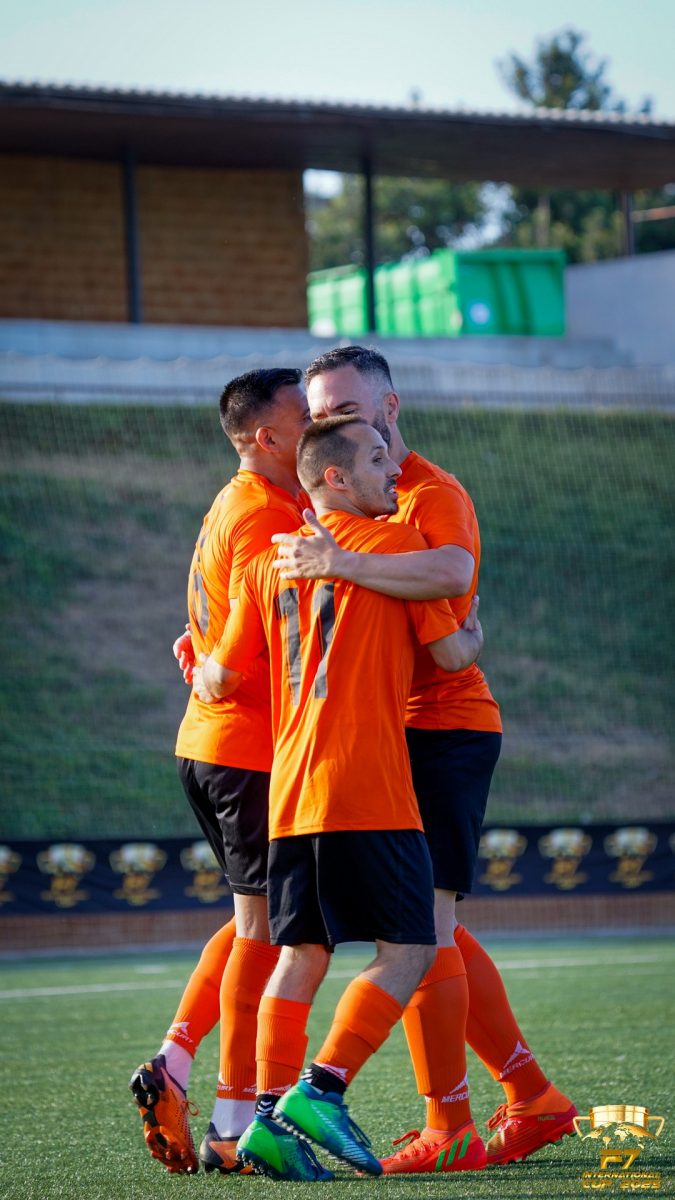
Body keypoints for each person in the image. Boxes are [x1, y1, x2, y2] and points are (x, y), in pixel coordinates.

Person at [270, 345, 577, 1172]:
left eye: (346, 409)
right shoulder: (341, 505)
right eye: (319, 414)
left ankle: (450, 1126)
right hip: (383, 735)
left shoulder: (428, 495)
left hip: (441, 727)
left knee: (421, 931)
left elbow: (450, 573)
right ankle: (529, 1096)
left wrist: (341, 562)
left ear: (389, 407)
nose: (331, 423)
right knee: (425, 930)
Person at [193, 416, 485, 1181]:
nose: (392, 470)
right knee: (412, 947)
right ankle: (320, 1089)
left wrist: (194, 666)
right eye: (377, 458)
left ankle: (264, 1124)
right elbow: (450, 650)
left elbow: (221, 675)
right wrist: (476, 631)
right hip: (368, 787)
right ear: (335, 477)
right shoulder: (395, 548)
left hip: (290, 792)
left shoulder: (268, 562)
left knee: (300, 955)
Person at [129, 368, 312, 1174]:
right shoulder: (266, 514)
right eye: (305, 417)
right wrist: (215, 667)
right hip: (247, 750)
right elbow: (239, 647)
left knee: (254, 924)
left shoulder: (232, 500)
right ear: (266, 437)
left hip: (214, 745)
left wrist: (204, 659)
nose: (318, 425)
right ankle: (233, 1124)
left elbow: (212, 623)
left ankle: (174, 1063)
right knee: (266, 933)